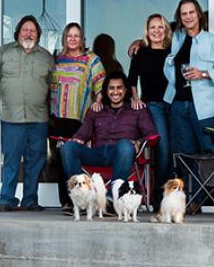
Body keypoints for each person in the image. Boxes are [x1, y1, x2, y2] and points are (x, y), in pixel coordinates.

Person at [0, 15, 54, 211]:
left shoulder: (47, 57)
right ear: (18, 33)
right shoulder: (3, 53)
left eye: (32, 30)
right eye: (25, 30)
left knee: (35, 162)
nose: (28, 33)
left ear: (38, 34)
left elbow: (54, 87)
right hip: (12, 118)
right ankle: (6, 199)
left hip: (39, 118)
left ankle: (30, 200)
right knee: (11, 161)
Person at [59, 72, 157, 211]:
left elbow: (151, 134)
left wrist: (139, 142)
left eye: (119, 88)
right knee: (68, 147)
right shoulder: (96, 109)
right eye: (111, 88)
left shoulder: (137, 109)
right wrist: (75, 140)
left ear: (126, 90)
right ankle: (83, 200)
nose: (115, 92)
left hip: (121, 154)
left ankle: (111, 200)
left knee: (124, 144)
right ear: (106, 91)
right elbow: (82, 134)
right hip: (97, 153)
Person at [163, 0, 214, 159]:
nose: (188, 16)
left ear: (199, 14)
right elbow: (154, 38)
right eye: (183, 14)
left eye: (191, 12)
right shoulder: (176, 39)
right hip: (178, 104)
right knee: (184, 156)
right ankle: (188, 186)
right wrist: (138, 43)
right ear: (180, 18)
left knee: (210, 152)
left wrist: (203, 74)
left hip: (203, 106)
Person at [49, 22, 105, 205]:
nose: (72, 39)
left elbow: (101, 86)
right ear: (64, 38)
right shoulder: (57, 59)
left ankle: (80, 201)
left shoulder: (91, 59)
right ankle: (66, 202)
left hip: (79, 120)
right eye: (69, 36)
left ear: (82, 39)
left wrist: (98, 101)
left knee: (73, 161)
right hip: (57, 119)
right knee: (58, 162)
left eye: (76, 36)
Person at [126, 13, 173, 205]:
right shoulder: (141, 51)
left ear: (166, 30)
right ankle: (159, 198)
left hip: (174, 104)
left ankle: (175, 195)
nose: (156, 31)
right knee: (163, 149)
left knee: (175, 150)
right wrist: (136, 98)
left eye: (160, 27)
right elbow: (131, 78)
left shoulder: (173, 51)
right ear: (147, 31)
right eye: (152, 27)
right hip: (153, 105)